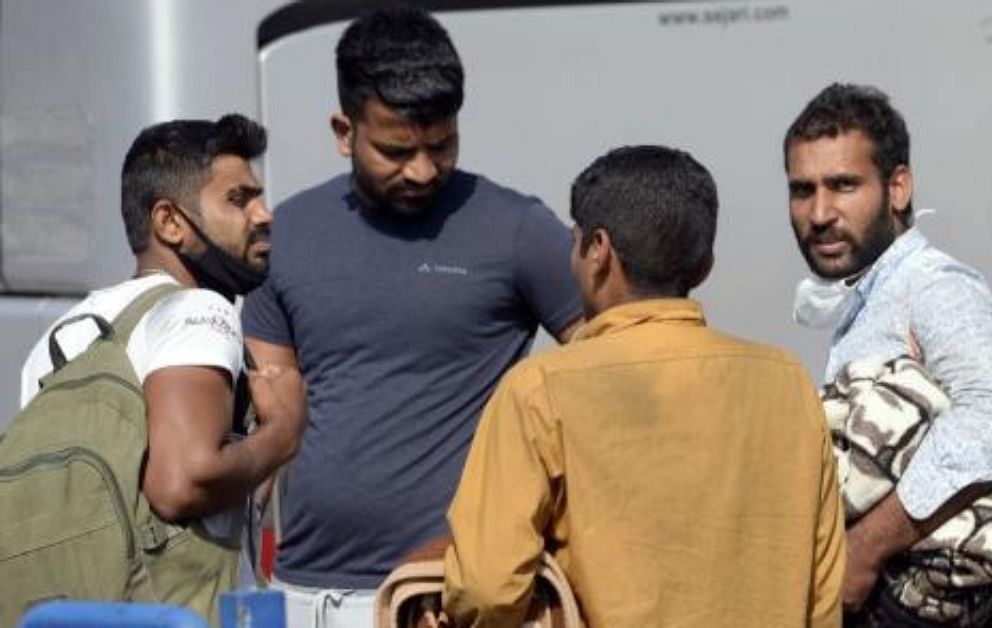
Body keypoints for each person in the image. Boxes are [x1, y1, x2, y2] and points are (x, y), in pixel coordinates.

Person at [241, 7, 582, 624]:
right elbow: (267, 426)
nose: (423, 170)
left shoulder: (517, 230)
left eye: (441, 145)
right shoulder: (284, 236)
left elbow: (607, 370)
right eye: (397, 151)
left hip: (442, 598)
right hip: (297, 592)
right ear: (344, 132)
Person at [444, 145, 846, 627]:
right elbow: (823, 597)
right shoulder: (787, 383)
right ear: (704, 266)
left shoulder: (538, 391)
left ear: (598, 250)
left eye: (575, 243)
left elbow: (486, 590)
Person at [18, 114, 305, 612]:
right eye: (238, 199)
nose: (264, 214)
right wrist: (282, 433)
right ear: (169, 221)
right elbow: (181, 483)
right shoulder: (197, 309)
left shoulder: (59, 338)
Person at [783, 83, 992, 612]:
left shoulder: (933, 287)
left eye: (843, 185)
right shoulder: (868, 293)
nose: (820, 212)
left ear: (897, 188)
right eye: (803, 190)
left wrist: (867, 548)